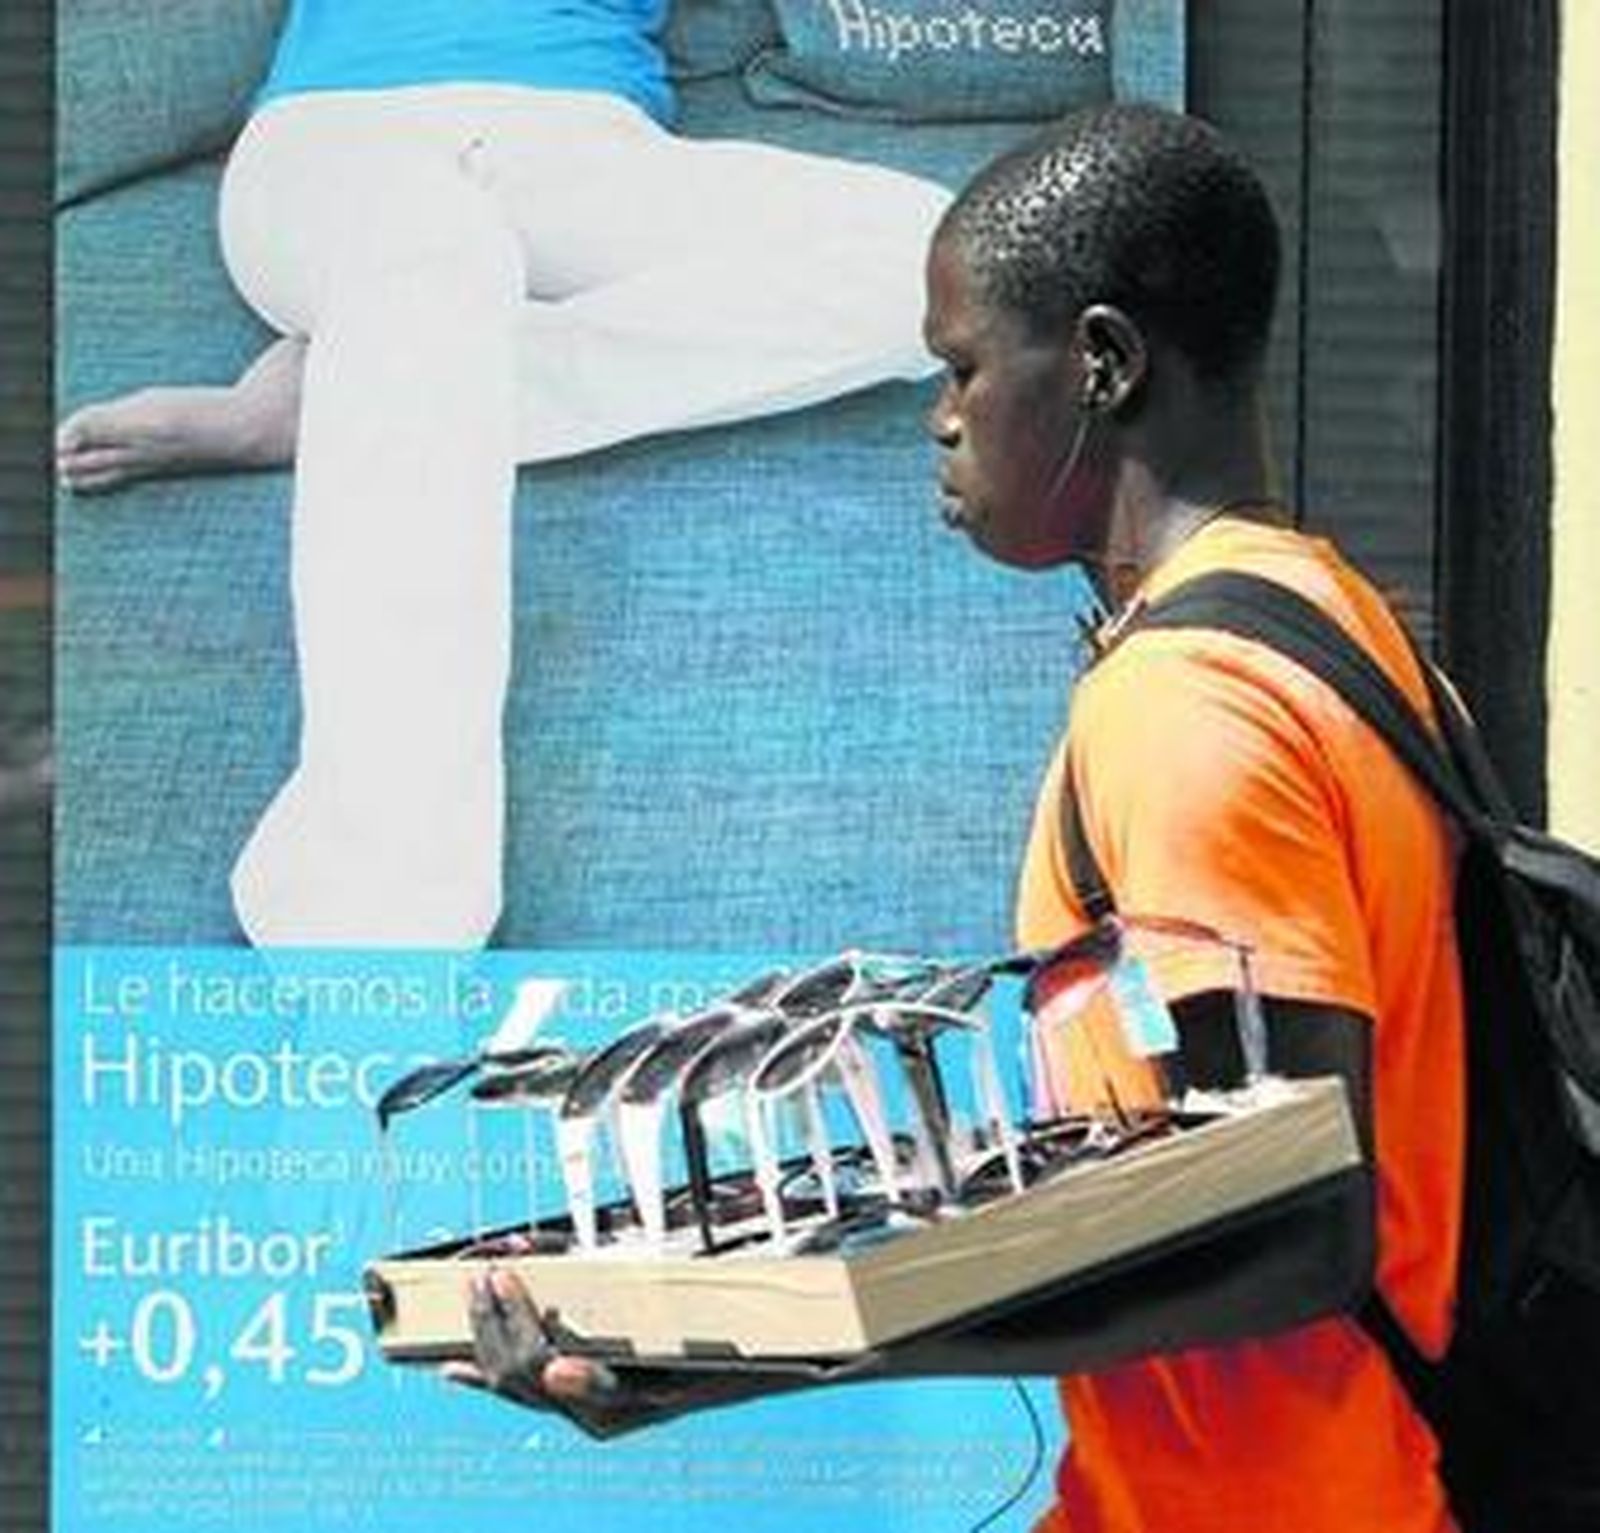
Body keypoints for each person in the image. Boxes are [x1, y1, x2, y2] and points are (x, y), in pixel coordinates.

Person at [454, 104, 1468, 1532]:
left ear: (1104, 364)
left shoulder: (1187, 704)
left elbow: (1298, 1223)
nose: (939, 420)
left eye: (965, 367)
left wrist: (772, 1340)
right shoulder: (1334, 621)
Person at [57, 0, 949, 949]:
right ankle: (374, 952)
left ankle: (362, 384)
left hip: (578, 145)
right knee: (434, 257)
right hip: (334, 138)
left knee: (943, 259)